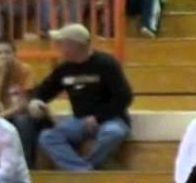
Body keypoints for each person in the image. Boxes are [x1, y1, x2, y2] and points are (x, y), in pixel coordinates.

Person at [29, 23, 133, 172]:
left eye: (61, 43)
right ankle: (83, 171)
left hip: (111, 119)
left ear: (75, 45)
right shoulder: (64, 69)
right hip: (79, 121)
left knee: (113, 133)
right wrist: (36, 100)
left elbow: (125, 97)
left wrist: (98, 117)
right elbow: (44, 89)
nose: (58, 46)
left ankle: (81, 169)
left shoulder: (106, 63)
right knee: (47, 137)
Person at [0, 39, 40, 165]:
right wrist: (1, 75)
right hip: (6, 116)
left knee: (21, 120)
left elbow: (22, 106)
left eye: (7, 52)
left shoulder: (25, 70)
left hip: (27, 116)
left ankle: (27, 166)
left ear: (15, 55)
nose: (3, 56)